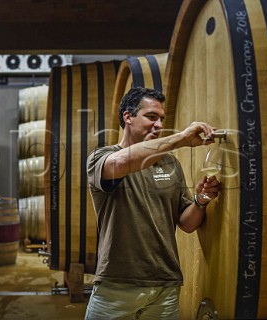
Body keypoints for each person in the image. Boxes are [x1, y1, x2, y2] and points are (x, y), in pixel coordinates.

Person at [84, 87, 220, 319]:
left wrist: (201, 200)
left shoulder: (170, 165)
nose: (158, 125)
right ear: (128, 116)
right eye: (151, 117)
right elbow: (121, 162)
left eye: (161, 119)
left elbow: (186, 224)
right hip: (118, 284)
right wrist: (181, 139)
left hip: (165, 285)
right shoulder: (101, 158)